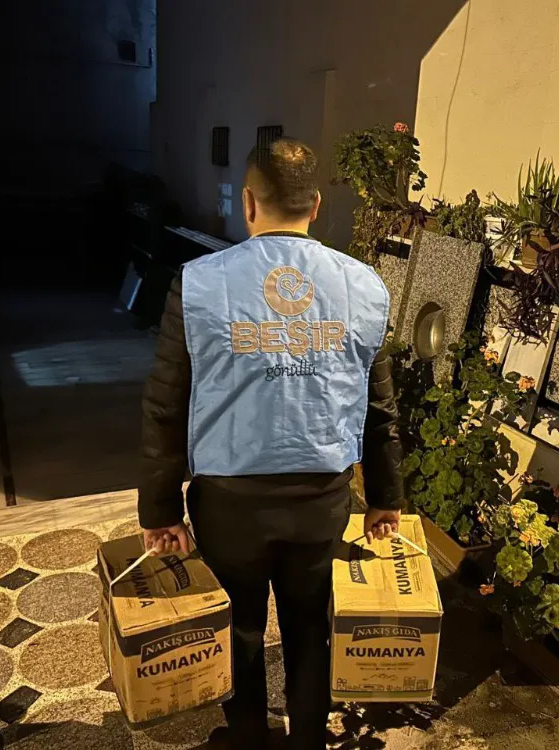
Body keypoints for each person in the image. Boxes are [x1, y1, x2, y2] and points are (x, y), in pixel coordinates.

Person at [138, 137, 405, 750]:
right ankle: (308, 739)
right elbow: (380, 407)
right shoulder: (365, 286)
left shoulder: (198, 283)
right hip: (321, 496)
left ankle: (250, 738)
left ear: (248, 204)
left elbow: (165, 402)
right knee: (310, 626)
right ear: (315, 204)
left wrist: (160, 508)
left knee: (239, 627)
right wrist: (386, 498)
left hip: (229, 501)